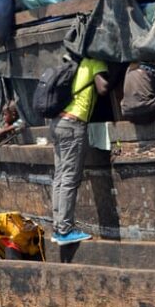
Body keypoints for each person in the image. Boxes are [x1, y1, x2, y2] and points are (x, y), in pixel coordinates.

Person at [51, 57, 109, 245]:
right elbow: (103, 88)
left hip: (57, 123)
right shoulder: (94, 62)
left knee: (60, 176)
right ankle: (65, 230)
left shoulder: (69, 63)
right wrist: (108, 74)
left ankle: (58, 227)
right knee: (69, 178)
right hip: (73, 124)